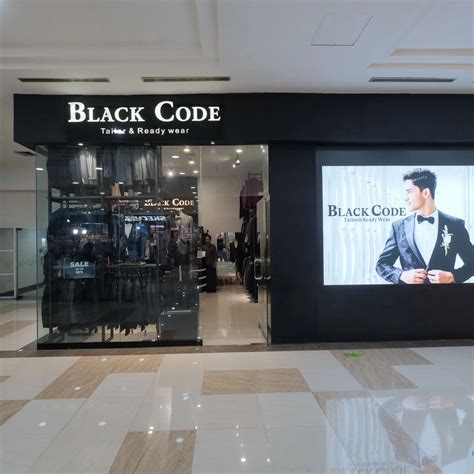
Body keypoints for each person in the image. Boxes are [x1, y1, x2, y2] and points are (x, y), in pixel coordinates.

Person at [376, 168, 474, 284]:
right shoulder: (398, 227)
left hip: (446, 295)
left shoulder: (455, 225)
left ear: (426, 193)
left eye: (409, 191)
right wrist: (402, 275)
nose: (405, 198)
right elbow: (381, 265)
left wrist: (452, 276)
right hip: (408, 295)